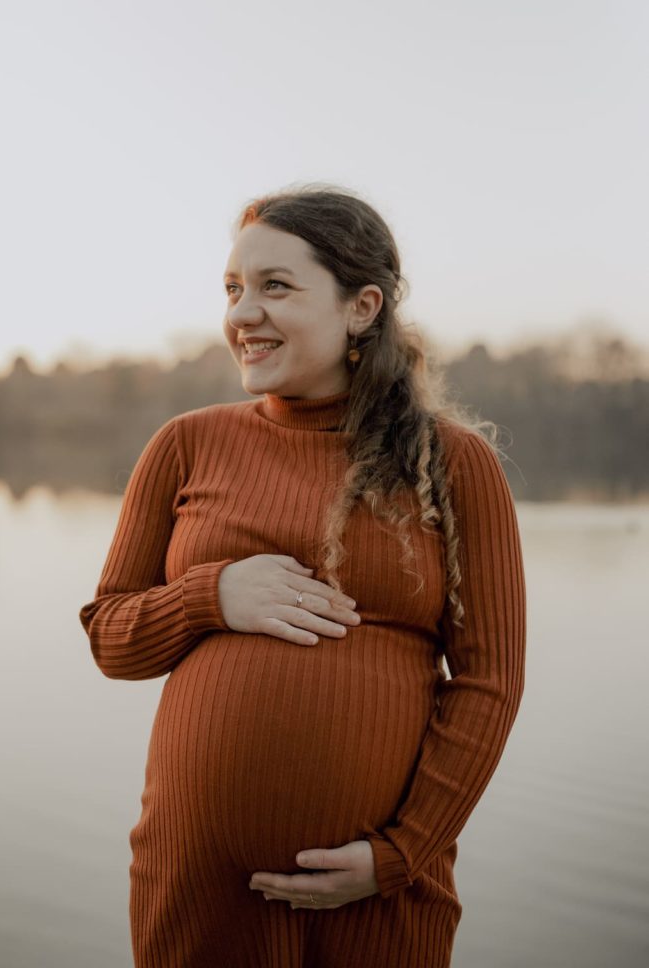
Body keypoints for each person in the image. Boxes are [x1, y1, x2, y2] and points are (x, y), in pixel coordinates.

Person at [79, 183, 526, 967]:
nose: (241, 314)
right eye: (232, 289)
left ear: (361, 306)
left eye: (274, 287)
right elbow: (112, 640)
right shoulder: (185, 444)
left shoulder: (453, 462)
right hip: (200, 888)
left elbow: (489, 682)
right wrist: (209, 596)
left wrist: (399, 856)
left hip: (378, 897)